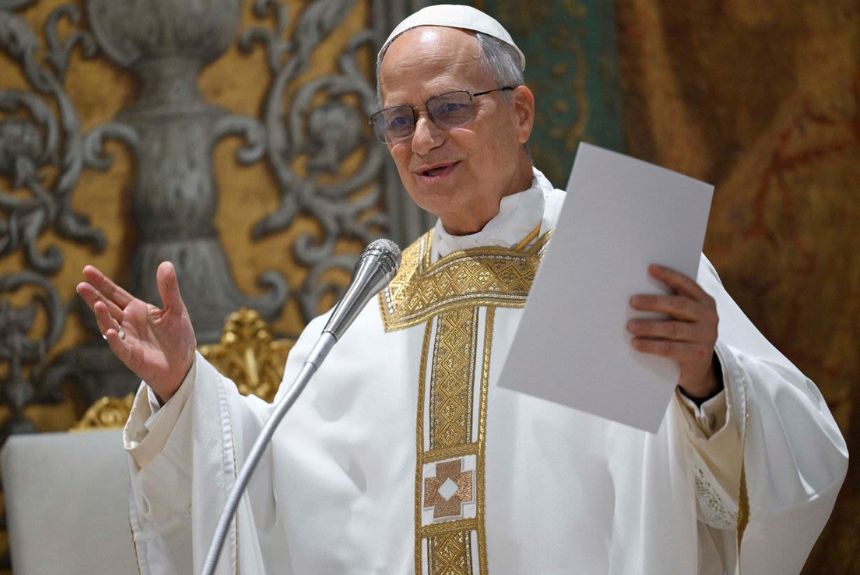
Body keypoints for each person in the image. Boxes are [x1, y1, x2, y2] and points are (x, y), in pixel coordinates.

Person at [76, 5, 847, 574]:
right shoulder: (368, 313)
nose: (424, 139)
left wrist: (705, 379)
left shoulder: (620, 257)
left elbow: (800, 447)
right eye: (399, 120)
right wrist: (183, 389)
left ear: (520, 110)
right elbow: (272, 491)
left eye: (449, 108)